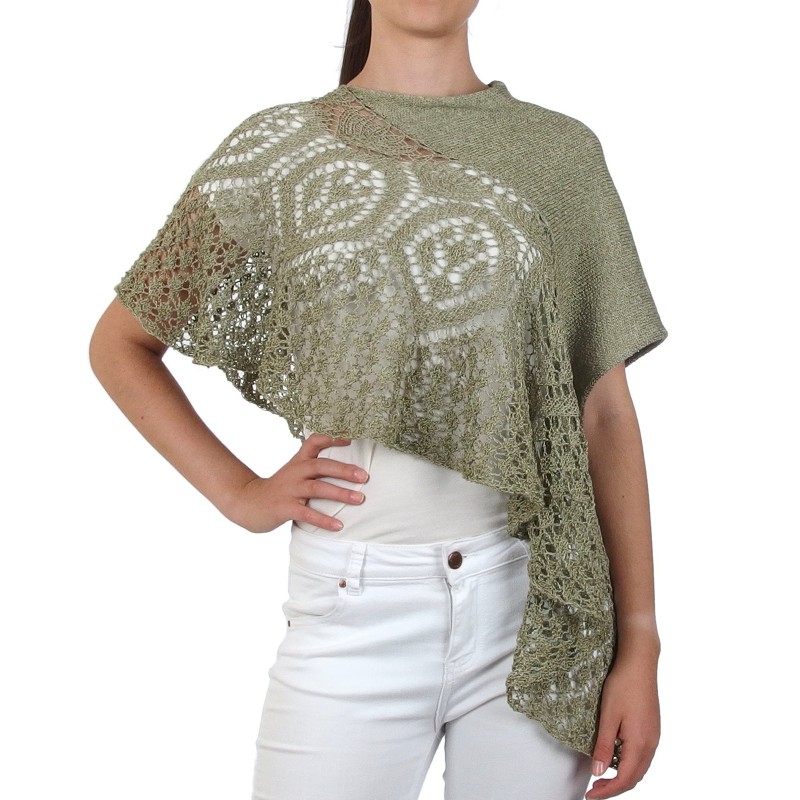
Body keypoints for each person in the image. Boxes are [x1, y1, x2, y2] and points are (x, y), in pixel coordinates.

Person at [89, 1, 667, 798]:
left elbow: (602, 412)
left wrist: (640, 643)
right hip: (351, 608)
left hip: (532, 611)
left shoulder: (560, 155)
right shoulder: (282, 148)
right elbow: (121, 342)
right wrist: (241, 494)